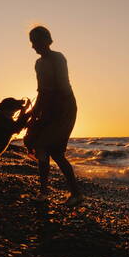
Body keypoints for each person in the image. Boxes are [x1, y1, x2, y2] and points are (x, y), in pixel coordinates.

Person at [24, 26, 82, 206]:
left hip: (64, 107)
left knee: (54, 151)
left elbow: (59, 89)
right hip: (48, 105)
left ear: (47, 40)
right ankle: (43, 193)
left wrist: (40, 114)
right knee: (41, 148)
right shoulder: (38, 63)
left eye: (36, 41)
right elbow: (42, 91)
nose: (34, 46)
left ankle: (75, 194)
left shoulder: (58, 58)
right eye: (32, 42)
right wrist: (34, 113)